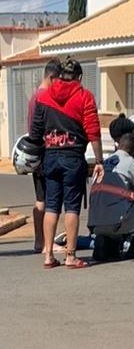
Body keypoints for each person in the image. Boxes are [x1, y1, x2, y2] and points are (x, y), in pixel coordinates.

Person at [30, 57, 104, 269]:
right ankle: (71, 256)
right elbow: (93, 132)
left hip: (50, 157)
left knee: (52, 205)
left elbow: (35, 132)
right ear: (79, 77)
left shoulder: (44, 98)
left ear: (60, 76)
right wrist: (99, 160)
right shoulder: (84, 97)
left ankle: (48, 255)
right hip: (73, 158)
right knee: (72, 207)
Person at [88, 133, 134, 261]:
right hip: (116, 224)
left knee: (118, 209)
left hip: (95, 225)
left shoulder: (105, 162)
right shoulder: (130, 162)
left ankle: (106, 244)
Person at [27, 58, 61, 253]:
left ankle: (41, 241)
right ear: (51, 77)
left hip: (39, 153)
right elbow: (37, 130)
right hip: (43, 154)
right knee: (45, 199)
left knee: (42, 198)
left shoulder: (35, 96)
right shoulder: (43, 96)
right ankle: (43, 242)